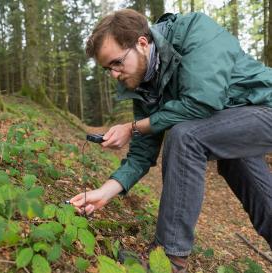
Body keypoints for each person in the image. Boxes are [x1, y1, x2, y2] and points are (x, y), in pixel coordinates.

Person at [69, 9, 272, 272]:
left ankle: (169, 261)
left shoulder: (194, 32)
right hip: (230, 126)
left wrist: (132, 127)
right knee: (242, 172)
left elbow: (202, 101)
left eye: (117, 63)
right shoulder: (142, 83)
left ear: (142, 43)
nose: (114, 75)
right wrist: (103, 193)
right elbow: (142, 153)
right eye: (108, 69)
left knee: (186, 136)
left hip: (264, 107)